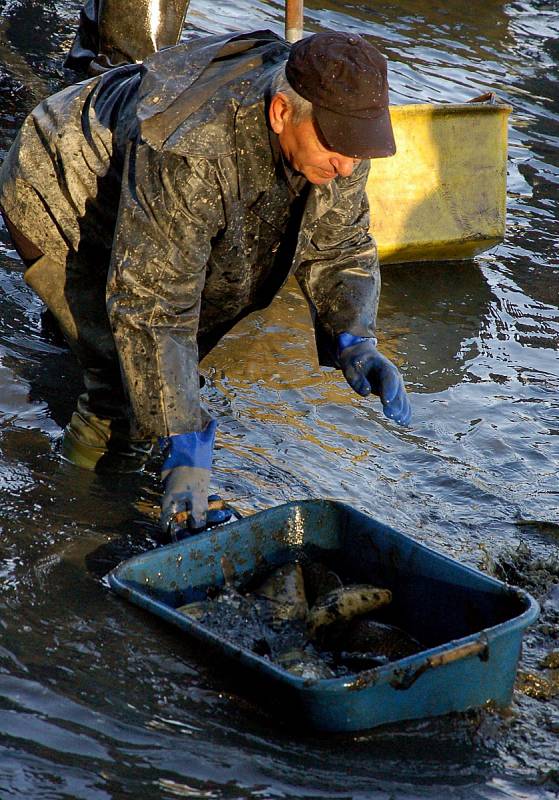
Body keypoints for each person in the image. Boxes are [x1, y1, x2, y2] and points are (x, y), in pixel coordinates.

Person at [0, 26, 411, 537]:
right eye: (338, 149)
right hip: (61, 183)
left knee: (143, 350)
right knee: (120, 391)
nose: (348, 165)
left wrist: (354, 337)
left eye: (359, 151)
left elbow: (339, 243)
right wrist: (186, 441)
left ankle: (74, 354)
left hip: (135, 177)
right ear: (282, 112)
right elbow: (155, 305)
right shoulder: (192, 147)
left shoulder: (340, 141)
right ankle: (68, 520)